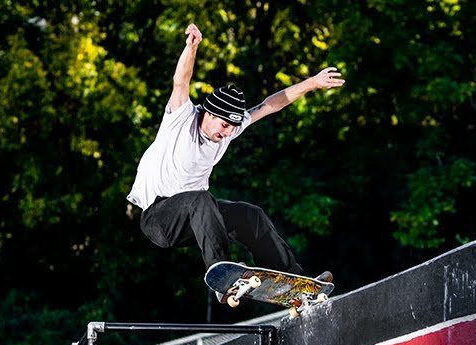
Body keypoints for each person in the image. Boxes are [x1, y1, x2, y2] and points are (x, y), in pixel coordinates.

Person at [126, 23, 344, 299]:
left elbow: (271, 104)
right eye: (222, 125)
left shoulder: (229, 129)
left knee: (250, 215)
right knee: (200, 199)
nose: (225, 133)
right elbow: (181, 81)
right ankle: (223, 272)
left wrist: (312, 83)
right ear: (208, 113)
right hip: (158, 219)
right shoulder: (181, 118)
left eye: (231, 127)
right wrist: (191, 47)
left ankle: (296, 284)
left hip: (196, 219)